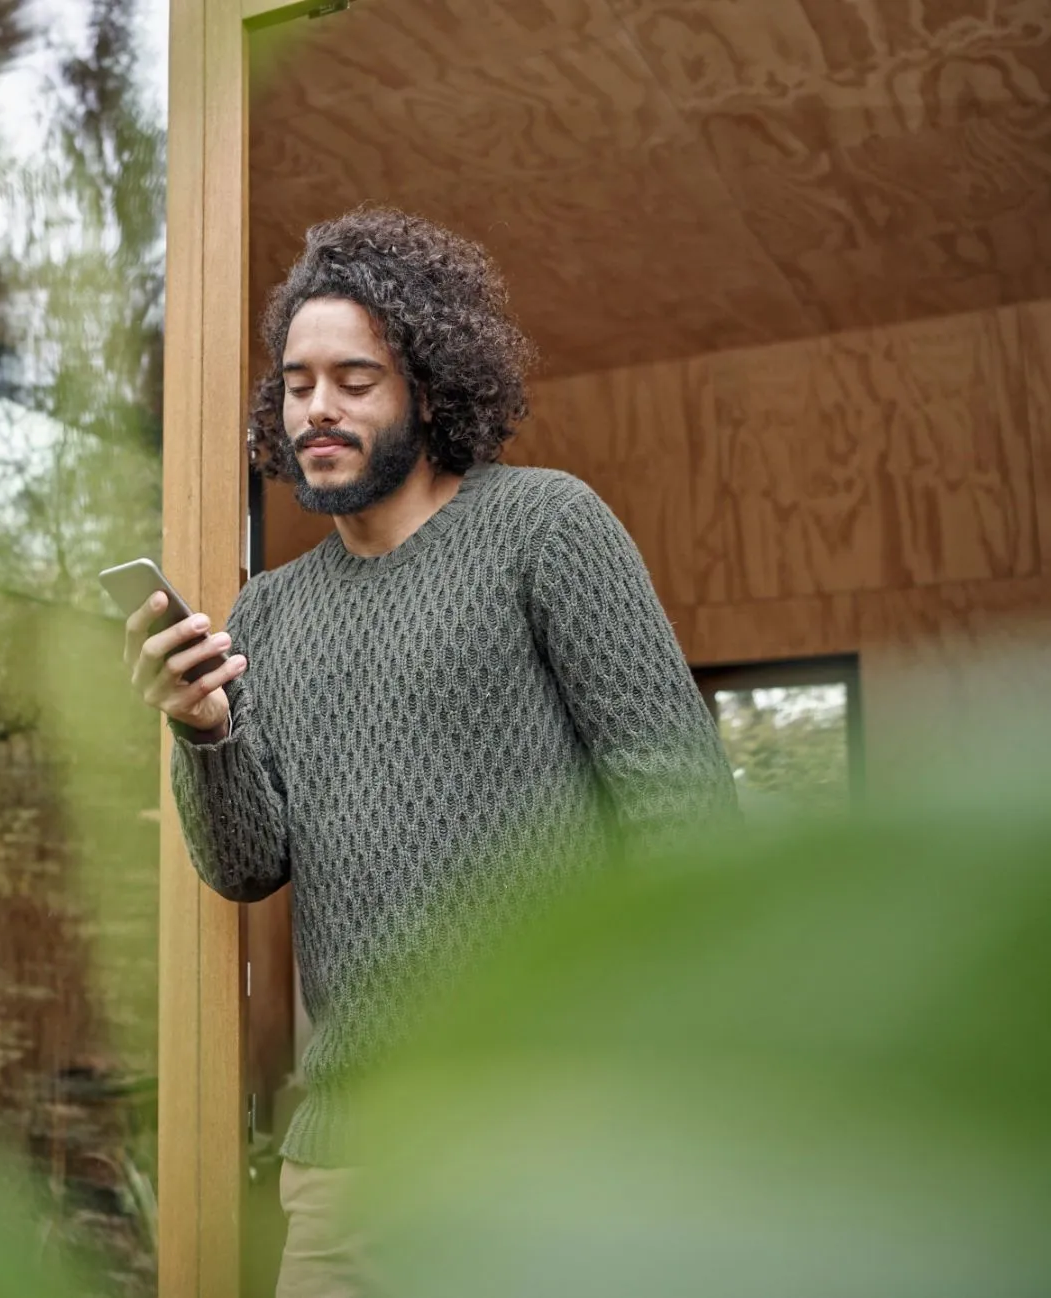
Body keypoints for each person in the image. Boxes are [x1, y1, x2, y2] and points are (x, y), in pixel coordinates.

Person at [122, 207, 737, 1298]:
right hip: (347, 1163)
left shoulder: (546, 527)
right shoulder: (267, 614)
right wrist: (202, 727)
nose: (319, 407)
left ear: (430, 389)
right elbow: (246, 862)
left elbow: (680, 809)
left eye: (355, 379)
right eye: (299, 381)